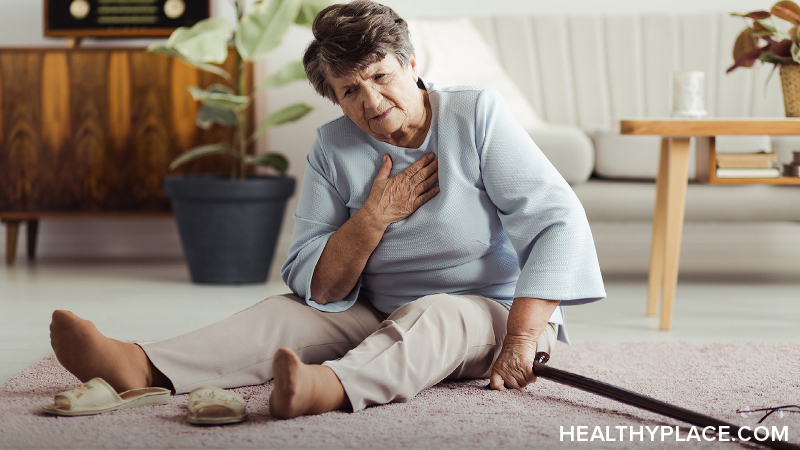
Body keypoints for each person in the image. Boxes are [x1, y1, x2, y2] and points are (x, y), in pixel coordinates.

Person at [48, 0, 605, 420]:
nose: (372, 101)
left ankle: (329, 387)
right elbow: (318, 280)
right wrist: (371, 219)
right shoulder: (332, 145)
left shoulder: (475, 114)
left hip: (492, 314)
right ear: (335, 98)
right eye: (349, 91)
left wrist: (523, 338)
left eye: (380, 77)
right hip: (375, 309)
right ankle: (138, 365)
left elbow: (555, 220)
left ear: (411, 64)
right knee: (281, 314)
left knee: (436, 313)